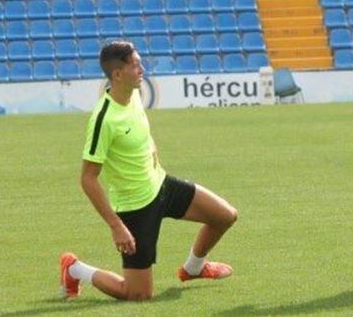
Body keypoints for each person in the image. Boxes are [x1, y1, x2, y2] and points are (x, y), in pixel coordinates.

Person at [59, 41, 238, 301]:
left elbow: (141, 134)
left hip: (161, 185)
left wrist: (153, 151)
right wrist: (116, 225)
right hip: (135, 207)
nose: (142, 69)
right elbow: (88, 179)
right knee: (138, 294)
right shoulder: (104, 119)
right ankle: (74, 268)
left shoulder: (133, 95)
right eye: (135, 65)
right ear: (118, 74)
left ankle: (193, 268)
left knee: (225, 216)